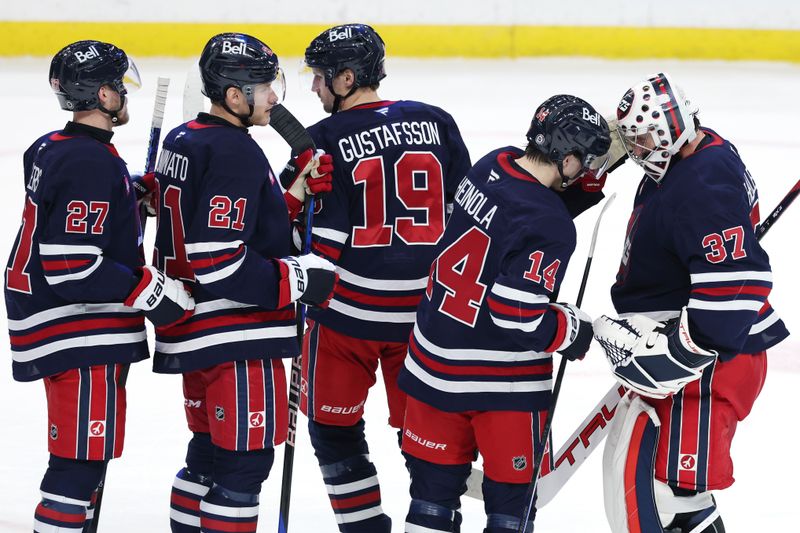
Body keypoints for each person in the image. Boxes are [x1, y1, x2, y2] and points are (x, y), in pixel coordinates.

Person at [4, 40, 195, 533]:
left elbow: (67, 213)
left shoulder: (53, 147)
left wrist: (127, 197)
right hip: (78, 332)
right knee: (79, 463)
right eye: (119, 88)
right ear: (104, 95)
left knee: (86, 460)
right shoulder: (91, 162)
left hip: (59, 326)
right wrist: (154, 294)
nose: (125, 97)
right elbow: (72, 265)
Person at [397, 94, 611, 533]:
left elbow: (514, 218)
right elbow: (518, 316)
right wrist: (573, 330)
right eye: (583, 162)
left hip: (431, 367)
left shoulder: (491, 164)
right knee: (510, 512)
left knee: (430, 504)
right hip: (503, 387)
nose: (586, 170)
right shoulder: (553, 226)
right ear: (567, 159)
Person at [149, 33, 336, 533]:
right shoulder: (236, 151)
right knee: (244, 466)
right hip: (234, 336)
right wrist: (299, 277)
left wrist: (291, 191)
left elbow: (239, 225)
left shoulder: (184, 139)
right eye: (264, 85)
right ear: (234, 96)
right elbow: (219, 258)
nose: (275, 97)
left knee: (207, 456)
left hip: (193, 331)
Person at [593, 72, 790, 533]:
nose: (635, 150)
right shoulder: (696, 152)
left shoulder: (703, 183)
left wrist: (685, 349)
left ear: (670, 132)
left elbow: (739, 280)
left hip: (711, 360)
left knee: (672, 493)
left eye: (642, 140)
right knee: (676, 496)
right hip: (686, 341)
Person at [295, 23, 472, 532]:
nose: (314, 88)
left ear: (346, 79)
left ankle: (364, 527)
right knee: (423, 439)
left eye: (321, 78)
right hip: (424, 319)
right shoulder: (436, 122)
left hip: (346, 318)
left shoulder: (322, 139)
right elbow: (470, 210)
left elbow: (301, 234)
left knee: (332, 429)